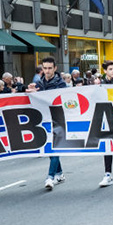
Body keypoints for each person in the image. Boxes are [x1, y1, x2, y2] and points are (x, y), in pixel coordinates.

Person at [27, 56, 68, 190]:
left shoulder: (61, 84)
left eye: (50, 68)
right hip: (44, 119)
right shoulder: (38, 84)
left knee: (54, 147)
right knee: (50, 149)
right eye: (45, 68)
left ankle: (50, 177)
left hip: (58, 119)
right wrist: (30, 92)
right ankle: (60, 173)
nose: (47, 71)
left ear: (55, 68)